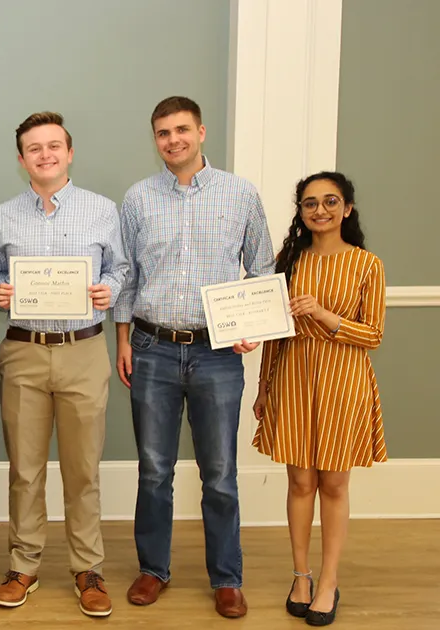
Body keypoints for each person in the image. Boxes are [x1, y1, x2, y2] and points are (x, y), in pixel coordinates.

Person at [113, 96, 275, 618]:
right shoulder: (137, 199)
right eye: (163, 132)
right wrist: (121, 341)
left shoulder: (239, 194)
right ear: (155, 138)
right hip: (151, 348)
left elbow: (263, 266)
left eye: (182, 130)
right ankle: (152, 569)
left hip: (217, 352)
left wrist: (251, 325)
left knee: (220, 471)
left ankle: (227, 578)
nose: (173, 140)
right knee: (154, 469)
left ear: (201, 132)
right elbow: (128, 276)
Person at [0, 112, 127, 616]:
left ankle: (88, 568)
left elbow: (121, 268)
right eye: (33, 147)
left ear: (69, 153)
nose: (44, 154)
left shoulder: (101, 210)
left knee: (82, 469)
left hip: (84, 350)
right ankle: (23, 565)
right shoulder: (4, 215)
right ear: (21, 158)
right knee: (25, 470)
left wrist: (107, 289)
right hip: (23, 352)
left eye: (53, 146)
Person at [253, 171, 385, 627]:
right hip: (293, 375)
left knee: (333, 484)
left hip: (344, 379)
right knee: (300, 483)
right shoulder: (289, 261)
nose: (320, 210)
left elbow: (374, 335)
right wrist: (263, 387)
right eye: (310, 203)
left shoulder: (368, 264)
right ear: (301, 213)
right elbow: (272, 333)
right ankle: (301, 576)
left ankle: (329, 581)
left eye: (330, 202)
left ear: (347, 208)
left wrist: (324, 314)